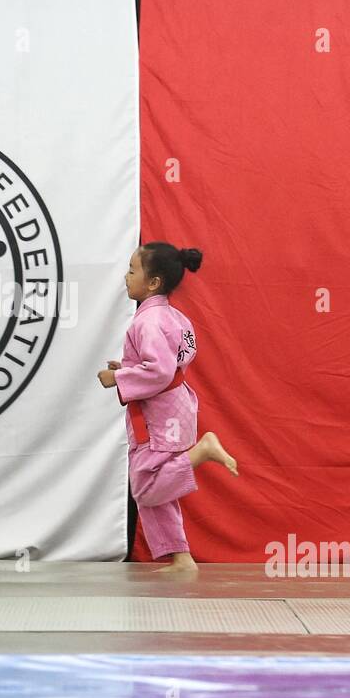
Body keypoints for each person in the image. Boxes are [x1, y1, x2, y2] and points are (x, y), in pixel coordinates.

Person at [98, 243, 237, 573]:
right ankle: (181, 559)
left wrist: (117, 378)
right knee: (160, 490)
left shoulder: (146, 322)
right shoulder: (173, 316)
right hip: (174, 408)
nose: (126, 277)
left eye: (133, 271)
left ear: (153, 283)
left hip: (159, 417)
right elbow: (174, 361)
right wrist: (128, 368)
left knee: (146, 487)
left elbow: (159, 371)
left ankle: (202, 452)